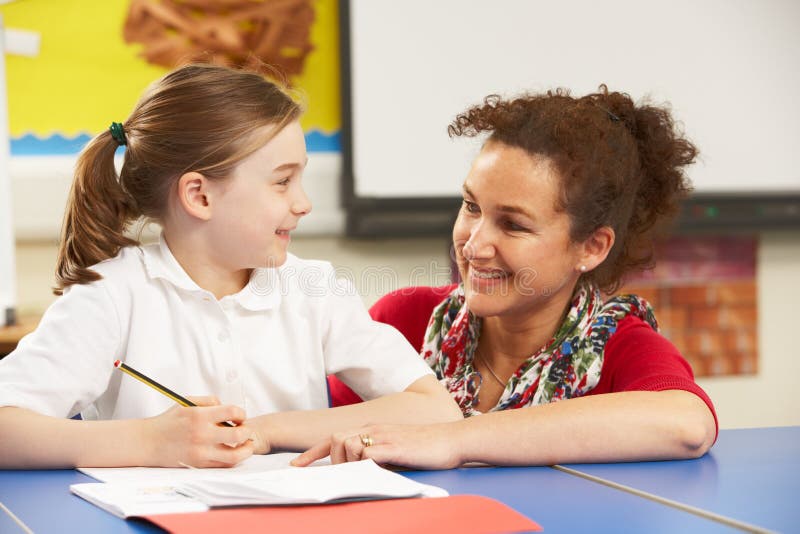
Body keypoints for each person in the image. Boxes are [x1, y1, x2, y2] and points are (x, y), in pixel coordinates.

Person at [0, 64, 461, 469]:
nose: (304, 203)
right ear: (199, 195)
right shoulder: (112, 295)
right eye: (282, 182)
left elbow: (435, 410)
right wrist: (150, 441)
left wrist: (267, 430)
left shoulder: (312, 288)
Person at [296, 86, 718, 468]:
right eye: (471, 207)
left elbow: (687, 424)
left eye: (514, 225)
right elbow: (320, 429)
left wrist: (453, 440)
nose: (473, 246)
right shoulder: (409, 318)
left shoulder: (620, 345)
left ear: (591, 247)